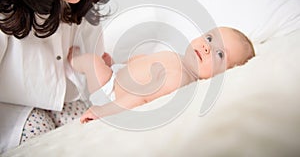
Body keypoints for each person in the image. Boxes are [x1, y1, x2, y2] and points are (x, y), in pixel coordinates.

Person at [0, 0, 112, 153]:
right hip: (9, 107)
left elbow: (95, 77)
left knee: (96, 129)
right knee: (38, 132)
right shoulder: (5, 4)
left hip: (62, 101)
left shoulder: (83, 2)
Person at [68, 26, 255, 123]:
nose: (207, 47)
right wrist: (117, 65)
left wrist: (103, 111)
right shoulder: (179, 59)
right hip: (117, 74)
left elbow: (141, 98)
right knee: (105, 60)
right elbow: (145, 65)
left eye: (219, 54)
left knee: (91, 61)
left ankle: (71, 60)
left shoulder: (179, 78)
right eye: (209, 38)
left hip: (111, 95)